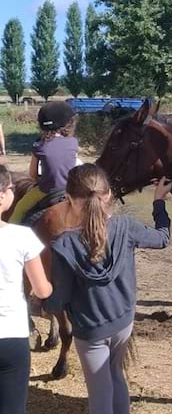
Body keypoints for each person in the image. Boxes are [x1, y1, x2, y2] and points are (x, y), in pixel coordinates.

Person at [42, 164, 172, 414]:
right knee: (115, 375)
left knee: (100, 395)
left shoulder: (63, 245)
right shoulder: (126, 226)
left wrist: (44, 302)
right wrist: (158, 202)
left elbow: (60, 299)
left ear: (69, 199)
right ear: (109, 195)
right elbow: (163, 237)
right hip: (124, 322)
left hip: (91, 331)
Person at [0, 164, 53, 414]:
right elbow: (42, 291)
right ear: (2, 196)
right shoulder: (23, 237)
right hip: (11, 335)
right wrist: (48, 287)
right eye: (11, 188)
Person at [9, 101, 79, 223]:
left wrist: (38, 182)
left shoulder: (39, 145)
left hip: (46, 191)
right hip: (70, 190)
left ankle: (11, 234)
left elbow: (32, 174)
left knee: (20, 208)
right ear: (67, 123)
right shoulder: (73, 142)